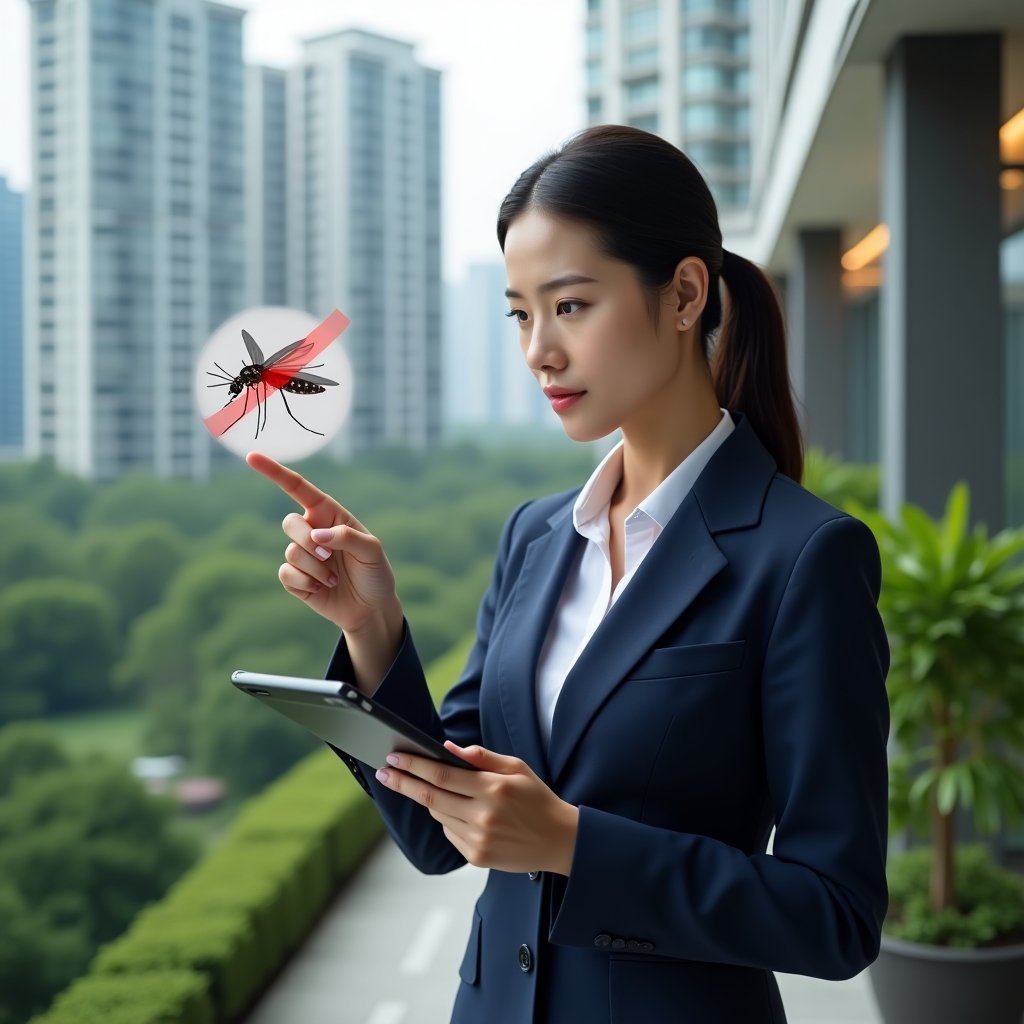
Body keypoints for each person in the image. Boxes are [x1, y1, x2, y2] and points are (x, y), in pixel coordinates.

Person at [246, 124, 891, 1024]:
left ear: (684, 294)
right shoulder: (538, 536)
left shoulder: (804, 556)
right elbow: (439, 833)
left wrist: (576, 846)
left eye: (572, 305)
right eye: (520, 313)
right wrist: (372, 631)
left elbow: (836, 915)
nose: (539, 350)